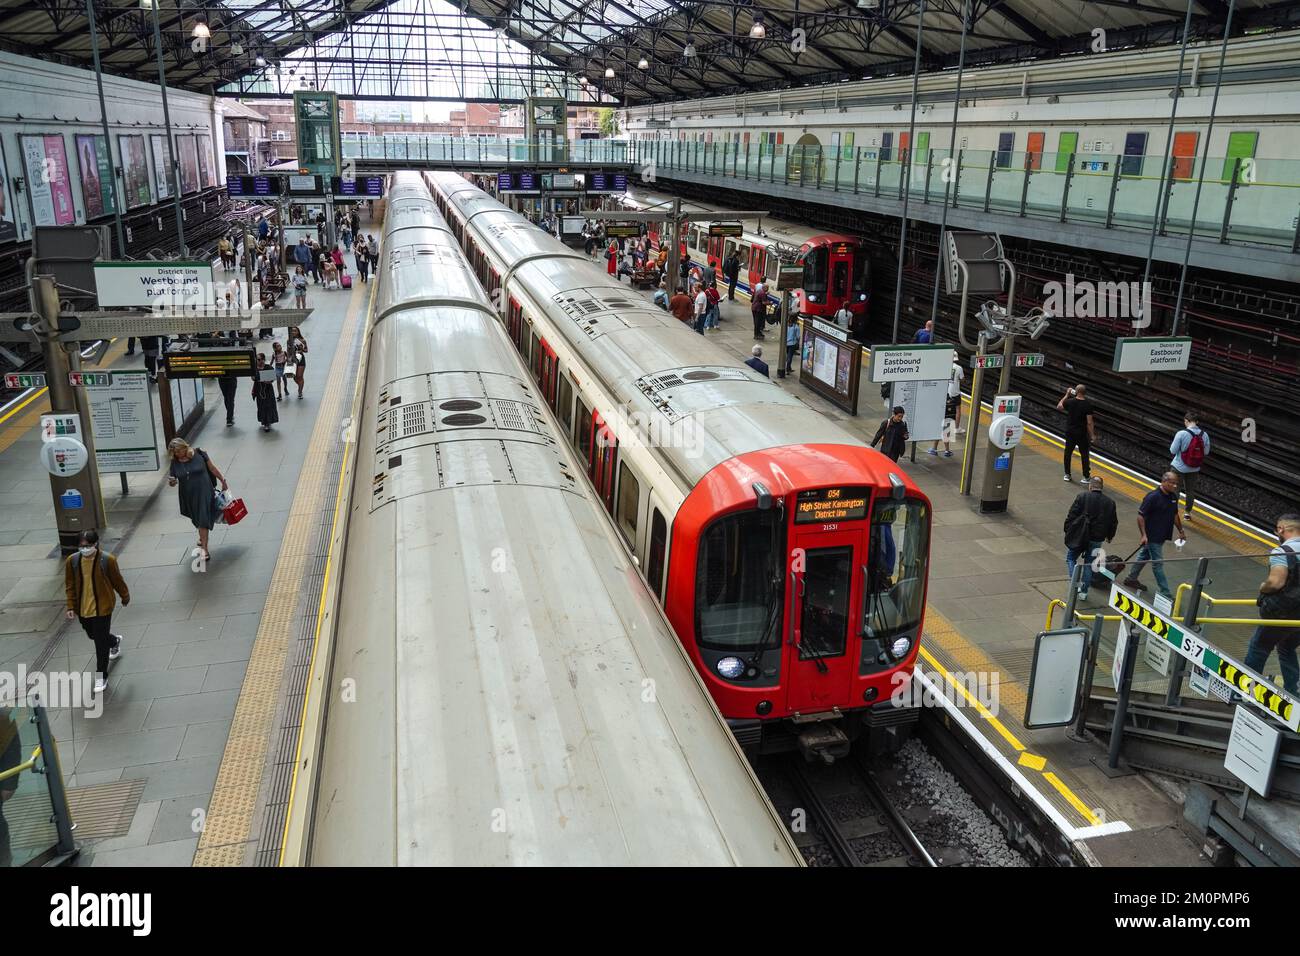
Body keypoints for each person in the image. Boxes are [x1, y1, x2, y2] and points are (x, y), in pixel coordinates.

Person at [63, 530, 129, 694]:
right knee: (93, 635)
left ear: (96, 544)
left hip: (103, 607)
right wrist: (71, 606)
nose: (84, 549)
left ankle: (101, 676)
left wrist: (124, 595)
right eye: (81, 546)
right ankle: (113, 641)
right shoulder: (72, 561)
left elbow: (117, 580)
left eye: (88, 546)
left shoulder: (107, 560)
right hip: (83, 608)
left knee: (99, 643)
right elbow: (70, 585)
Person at [1244, 514, 1300, 694]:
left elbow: (1276, 582)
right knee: (1286, 646)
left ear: (1282, 529)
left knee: (1258, 647)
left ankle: (1246, 693)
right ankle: (1293, 691)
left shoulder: (1282, 551)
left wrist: (1263, 587)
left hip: (1282, 613)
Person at [1121, 471, 1186, 600]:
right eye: (1172, 483)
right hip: (1152, 536)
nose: (1174, 486)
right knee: (1158, 564)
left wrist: (1181, 530)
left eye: (1176, 484)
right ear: (1164, 481)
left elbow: (1174, 515)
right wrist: (1143, 535)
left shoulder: (1173, 497)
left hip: (1162, 535)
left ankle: (1131, 578)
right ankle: (1166, 593)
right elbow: (1140, 516)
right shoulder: (1152, 497)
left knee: (1144, 556)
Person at [167, 438, 228, 562]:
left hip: (205, 492)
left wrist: (222, 480)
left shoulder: (199, 453)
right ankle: (202, 535)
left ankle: (204, 549)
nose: (177, 454)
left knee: (202, 519)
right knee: (197, 519)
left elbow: (212, 468)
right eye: (175, 452)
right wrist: (172, 482)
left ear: (184, 447)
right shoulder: (175, 462)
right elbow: (172, 479)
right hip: (188, 496)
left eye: (179, 451)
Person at [1063, 477, 1119, 600]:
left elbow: (1072, 514)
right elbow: (1113, 522)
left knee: (1071, 558)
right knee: (1089, 563)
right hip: (1097, 538)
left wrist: (1067, 529)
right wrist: (1109, 536)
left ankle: (1074, 585)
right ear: (1101, 487)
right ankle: (1083, 592)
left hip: (1080, 536)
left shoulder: (1082, 497)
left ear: (1090, 486)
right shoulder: (1110, 502)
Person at [1169, 411, 1210, 520]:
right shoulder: (1204, 435)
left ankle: (1173, 512)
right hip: (1194, 468)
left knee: (1175, 489)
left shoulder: (1181, 433)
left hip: (1178, 466)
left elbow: (1173, 450)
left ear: (1186, 421)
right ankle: (1187, 513)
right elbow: (1206, 452)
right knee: (1190, 491)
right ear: (1197, 422)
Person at [1057, 383, 1096, 484]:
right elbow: (1089, 422)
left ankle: (1067, 474)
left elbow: (1059, 406)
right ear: (1084, 393)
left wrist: (1067, 394)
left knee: (1068, 453)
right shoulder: (1088, 405)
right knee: (1084, 455)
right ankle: (1086, 477)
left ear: (1076, 392)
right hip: (1082, 434)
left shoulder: (1070, 402)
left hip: (1070, 432)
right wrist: (1092, 435)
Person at [252, 353, 279, 432]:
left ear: (263, 360)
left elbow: (271, 379)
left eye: (260, 359)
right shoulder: (255, 369)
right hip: (259, 389)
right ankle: (264, 421)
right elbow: (253, 378)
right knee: (261, 406)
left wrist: (267, 380)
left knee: (268, 405)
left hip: (268, 390)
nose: (258, 361)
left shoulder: (268, 367)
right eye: (257, 360)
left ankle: (267, 422)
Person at [288, 326, 309, 399]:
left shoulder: (302, 340)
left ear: (298, 332)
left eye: (295, 331)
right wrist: (288, 359)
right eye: (292, 331)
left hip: (300, 359)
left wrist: (301, 349)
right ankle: (300, 384)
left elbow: (306, 350)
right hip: (293, 359)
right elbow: (288, 351)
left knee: (299, 376)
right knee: (294, 377)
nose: (293, 332)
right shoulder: (289, 340)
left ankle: (300, 391)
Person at [946, 356, 966, 434]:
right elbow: (962, 379)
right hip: (955, 392)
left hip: (948, 391)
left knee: (947, 408)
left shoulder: (947, 366)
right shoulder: (959, 368)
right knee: (958, 410)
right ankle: (956, 428)